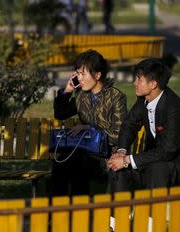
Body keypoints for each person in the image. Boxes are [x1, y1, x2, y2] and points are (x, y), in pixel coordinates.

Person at [107, 58, 180, 190]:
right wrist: (121, 152)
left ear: (153, 84)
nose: (135, 83)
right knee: (118, 168)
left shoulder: (174, 109)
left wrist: (127, 160)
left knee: (157, 169)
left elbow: (167, 152)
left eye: (139, 79)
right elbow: (129, 124)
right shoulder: (144, 100)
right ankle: (119, 210)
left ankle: (155, 210)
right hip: (156, 159)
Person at [50, 49, 127, 196]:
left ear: (97, 75)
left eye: (83, 74)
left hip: (106, 155)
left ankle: (79, 210)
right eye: (77, 74)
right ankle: (58, 211)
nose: (79, 78)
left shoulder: (116, 97)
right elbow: (60, 114)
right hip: (84, 151)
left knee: (77, 163)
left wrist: (89, 129)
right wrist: (67, 91)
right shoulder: (81, 96)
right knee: (61, 162)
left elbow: (119, 134)